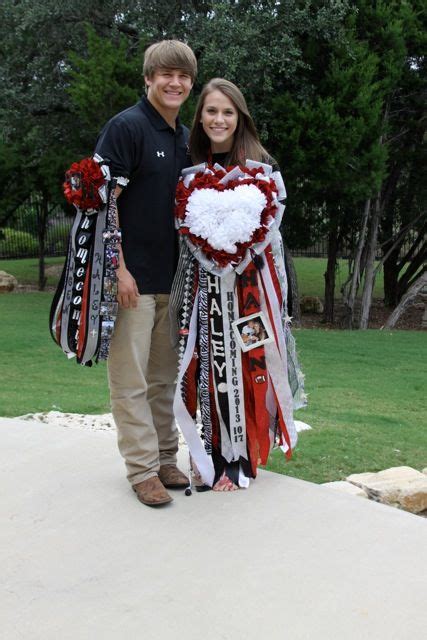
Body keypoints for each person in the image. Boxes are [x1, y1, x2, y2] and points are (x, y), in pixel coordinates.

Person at [171, 79, 306, 493]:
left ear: (240, 117)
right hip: (202, 294)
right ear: (200, 117)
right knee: (206, 368)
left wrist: (240, 263)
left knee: (251, 364)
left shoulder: (263, 167)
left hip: (251, 295)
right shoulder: (188, 161)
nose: (219, 119)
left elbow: (272, 233)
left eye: (228, 112)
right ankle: (209, 455)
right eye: (211, 111)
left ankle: (241, 457)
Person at [94, 40, 197, 507]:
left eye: (183, 76)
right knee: (130, 380)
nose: (174, 83)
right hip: (132, 282)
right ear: (148, 79)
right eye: (165, 74)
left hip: (172, 283)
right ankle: (141, 470)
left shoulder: (184, 136)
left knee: (162, 381)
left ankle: (165, 457)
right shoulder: (126, 128)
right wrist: (117, 269)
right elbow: (102, 204)